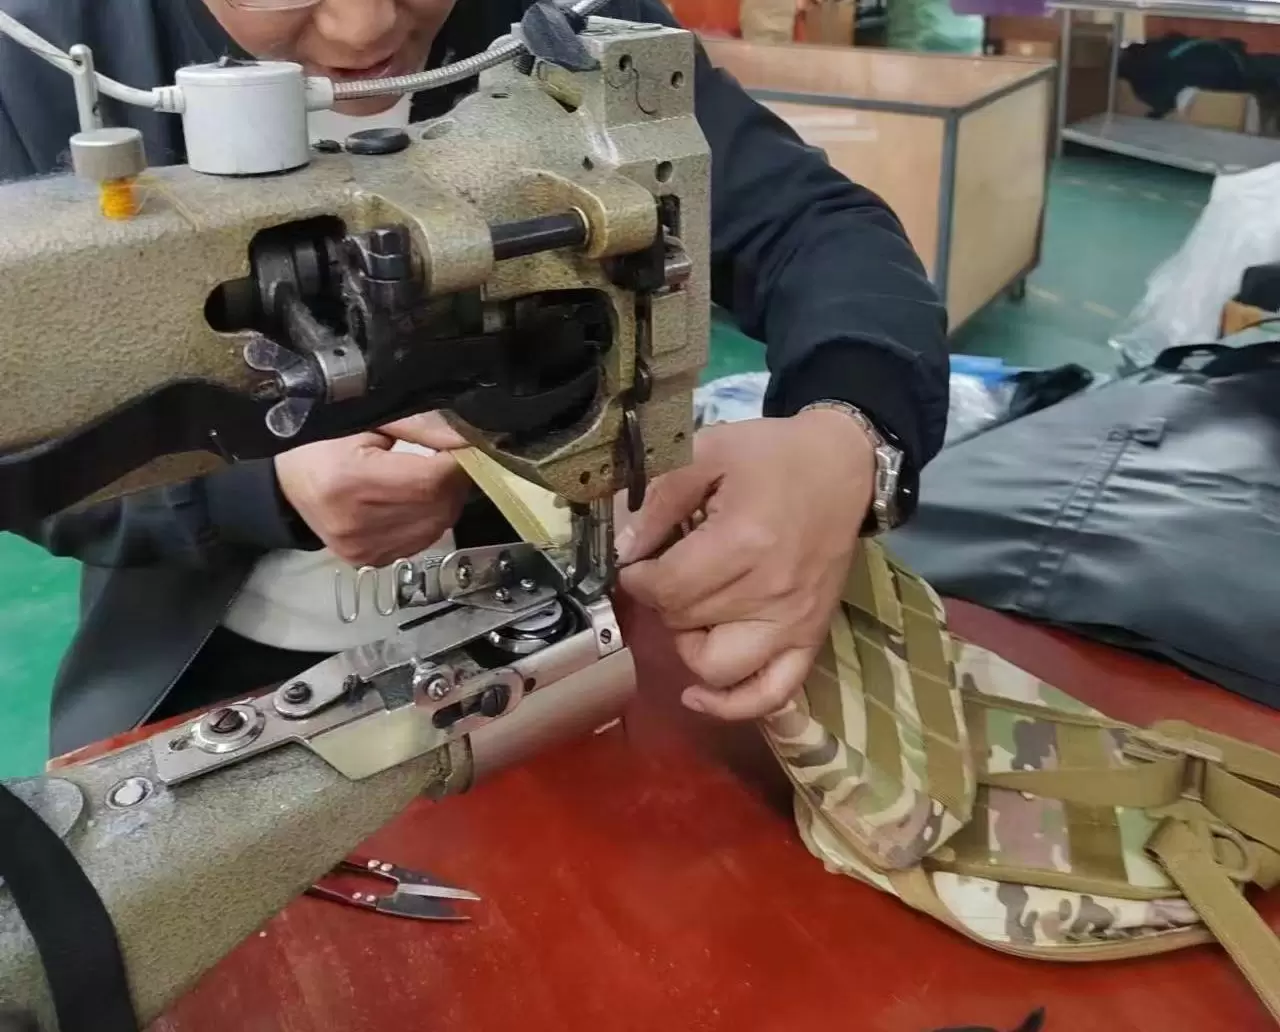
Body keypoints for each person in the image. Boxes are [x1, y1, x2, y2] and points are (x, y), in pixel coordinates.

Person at [0, 0, 949, 756]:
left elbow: (814, 229)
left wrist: (849, 436)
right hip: (211, 666)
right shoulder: (42, 62)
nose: (364, 28)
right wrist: (263, 488)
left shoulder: (569, 26)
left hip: (562, 634)